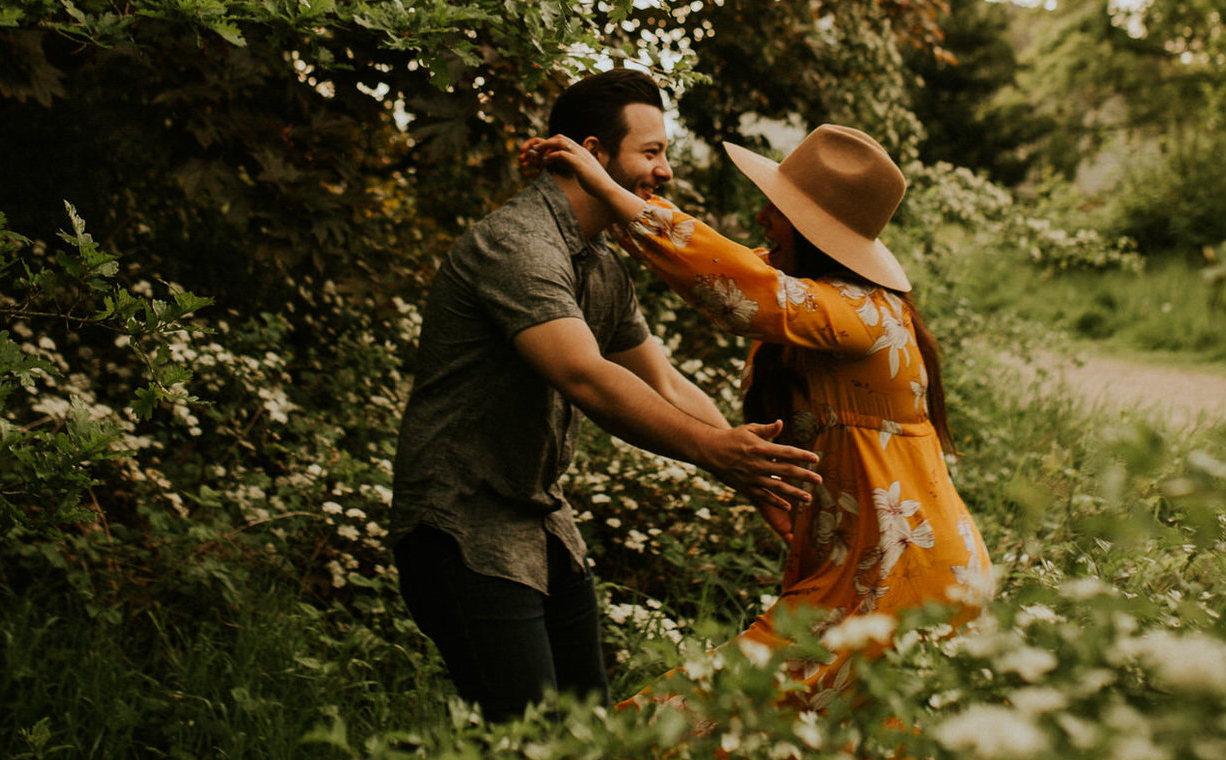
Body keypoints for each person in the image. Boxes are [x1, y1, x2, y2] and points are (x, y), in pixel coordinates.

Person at [387, 68, 823, 724]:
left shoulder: (602, 262)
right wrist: (715, 450)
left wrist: (757, 479)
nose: (666, 172)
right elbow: (584, 376)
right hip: (460, 525)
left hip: (539, 521)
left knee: (590, 740)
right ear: (594, 154)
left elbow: (665, 381)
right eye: (652, 153)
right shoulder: (518, 245)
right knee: (533, 757)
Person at [520, 121, 991, 711]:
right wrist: (620, 195)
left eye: (777, 210)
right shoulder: (819, 290)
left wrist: (607, 190)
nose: (763, 219)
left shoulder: (867, 316)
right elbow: (719, 258)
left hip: (904, 578)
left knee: (687, 727)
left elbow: (732, 285)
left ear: (814, 231)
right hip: (867, 567)